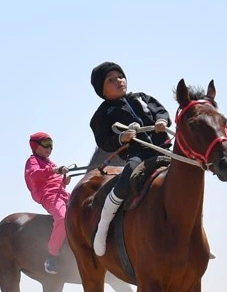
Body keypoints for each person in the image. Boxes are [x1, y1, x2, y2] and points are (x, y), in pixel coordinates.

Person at [88, 62, 172, 256]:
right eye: (111, 80)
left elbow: (161, 111)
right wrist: (121, 138)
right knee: (126, 180)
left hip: (165, 150)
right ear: (102, 89)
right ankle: (103, 228)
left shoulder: (142, 97)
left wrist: (162, 121)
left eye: (120, 76)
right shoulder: (102, 115)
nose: (118, 81)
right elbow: (104, 142)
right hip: (139, 154)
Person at [24, 132, 73, 274]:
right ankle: (52, 257)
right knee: (62, 218)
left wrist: (64, 181)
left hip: (62, 194)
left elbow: (55, 178)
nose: (49, 148)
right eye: (45, 144)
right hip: (49, 196)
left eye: (51, 145)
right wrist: (54, 170)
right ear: (35, 146)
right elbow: (34, 175)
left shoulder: (50, 162)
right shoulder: (32, 161)